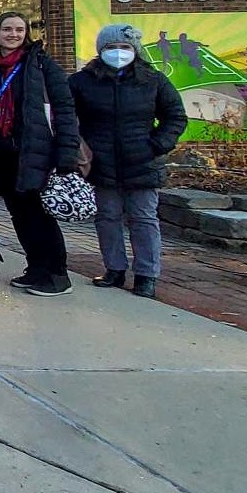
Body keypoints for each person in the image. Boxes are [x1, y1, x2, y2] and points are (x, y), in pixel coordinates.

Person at [70, 24, 187, 300]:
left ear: (135, 49)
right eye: (112, 48)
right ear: (101, 50)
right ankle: (114, 268)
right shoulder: (82, 81)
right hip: (100, 163)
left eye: (124, 47)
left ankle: (147, 274)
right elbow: (64, 116)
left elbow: (175, 116)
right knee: (107, 218)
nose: (119, 53)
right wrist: (78, 148)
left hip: (143, 161)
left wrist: (157, 145)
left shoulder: (153, 80)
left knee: (144, 218)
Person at [0, 12, 80, 298]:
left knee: (40, 214)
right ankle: (35, 268)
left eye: (20, 30)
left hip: (36, 152)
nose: (14, 34)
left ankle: (56, 274)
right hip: (1, 154)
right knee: (19, 214)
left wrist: (67, 153)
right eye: (8, 29)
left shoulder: (41, 65)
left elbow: (65, 110)